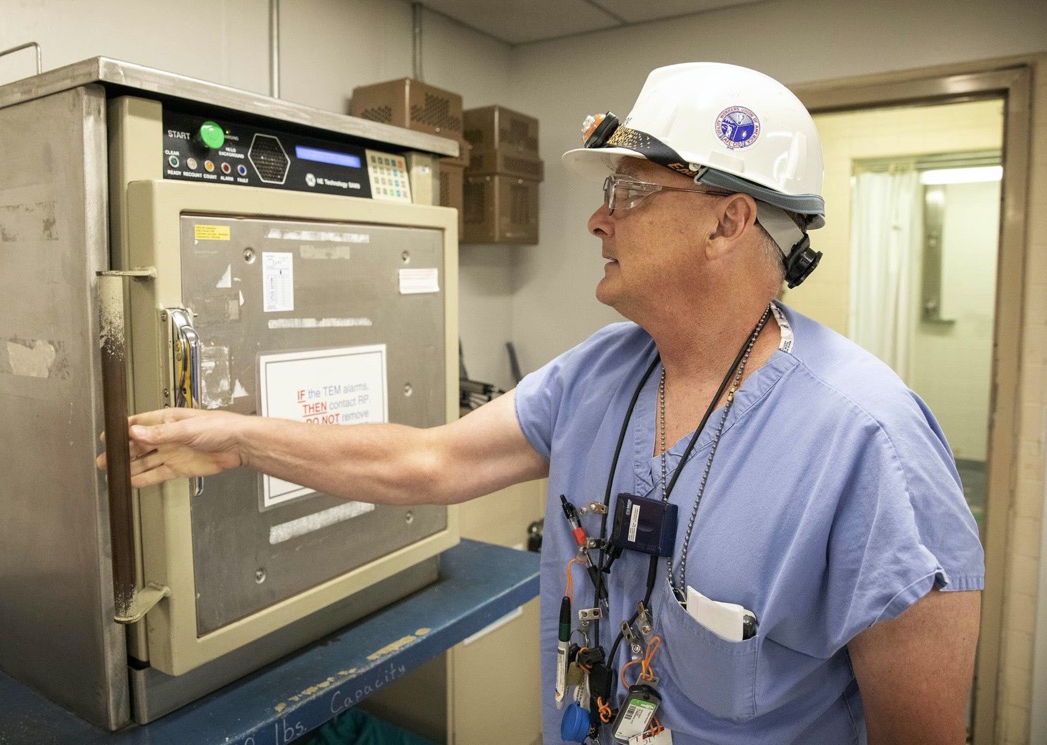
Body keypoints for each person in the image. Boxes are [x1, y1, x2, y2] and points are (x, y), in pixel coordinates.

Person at [99, 62, 983, 744]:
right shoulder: (602, 370)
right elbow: (434, 460)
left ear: (730, 222)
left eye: (629, 192)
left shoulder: (870, 442)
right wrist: (243, 438)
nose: (599, 220)